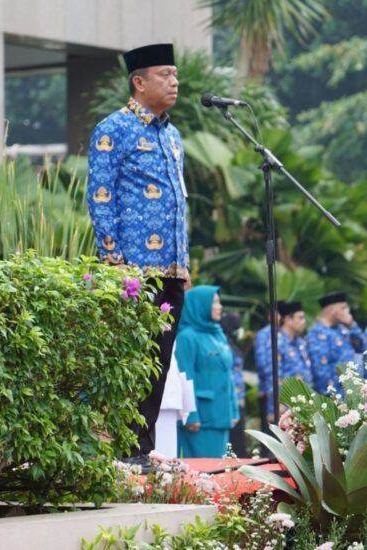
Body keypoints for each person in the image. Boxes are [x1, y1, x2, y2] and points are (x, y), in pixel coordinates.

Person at [87, 43, 188, 463]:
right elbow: (100, 197)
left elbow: (180, 202)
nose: (174, 82)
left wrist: (186, 265)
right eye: (165, 74)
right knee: (130, 360)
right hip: (132, 269)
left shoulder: (173, 134)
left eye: (176, 75)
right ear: (139, 81)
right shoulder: (114, 128)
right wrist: (112, 262)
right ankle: (115, 446)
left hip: (172, 269)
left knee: (159, 361)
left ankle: (140, 450)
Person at [176, 286, 239, 458]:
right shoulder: (186, 337)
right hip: (202, 419)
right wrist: (191, 416)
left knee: (219, 473)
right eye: (215, 303)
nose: (220, 307)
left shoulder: (218, 334)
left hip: (222, 415)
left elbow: (228, 375)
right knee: (203, 475)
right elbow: (184, 375)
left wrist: (233, 410)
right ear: (199, 305)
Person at [307, 291, 364, 396]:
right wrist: (332, 395)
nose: (347, 312)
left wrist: (352, 324)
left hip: (351, 391)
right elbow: (320, 370)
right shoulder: (317, 333)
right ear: (331, 310)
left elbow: (362, 347)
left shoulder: (342, 328)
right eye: (343, 308)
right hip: (335, 395)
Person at [221, 311, 248, 457]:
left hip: (238, 399)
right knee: (234, 443)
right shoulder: (224, 344)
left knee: (239, 442)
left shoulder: (232, 343)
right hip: (232, 399)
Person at [277, 301, 313, 388]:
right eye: (300, 318)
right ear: (288, 320)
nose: (304, 322)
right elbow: (274, 378)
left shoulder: (301, 343)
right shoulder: (277, 343)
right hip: (286, 398)